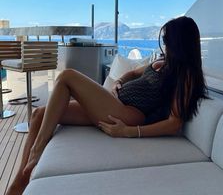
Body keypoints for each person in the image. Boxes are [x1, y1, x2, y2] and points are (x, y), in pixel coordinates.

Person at [6, 16, 207, 195]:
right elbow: (134, 73)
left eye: (167, 41)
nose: (164, 45)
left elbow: (174, 123)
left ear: (179, 43)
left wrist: (129, 131)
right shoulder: (162, 62)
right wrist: (120, 81)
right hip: (115, 103)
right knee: (38, 115)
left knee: (67, 76)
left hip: (128, 114)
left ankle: (37, 151)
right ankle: (20, 182)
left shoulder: (185, 74)